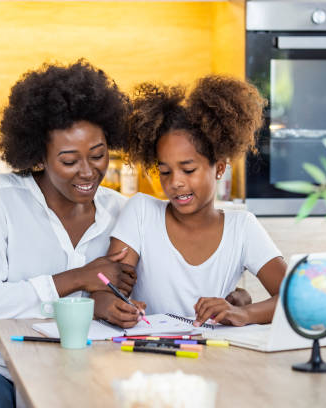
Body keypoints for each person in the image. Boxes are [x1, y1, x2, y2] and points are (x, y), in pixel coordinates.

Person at [0, 60, 144, 408]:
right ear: (39, 156)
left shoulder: (123, 212)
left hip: (87, 369)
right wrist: (79, 278)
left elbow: (130, 297)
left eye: (98, 155)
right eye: (69, 161)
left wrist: (107, 305)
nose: (88, 172)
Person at [93, 76, 287, 329]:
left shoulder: (242, 228)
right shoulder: (141, 212)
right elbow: (103, 292)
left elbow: (296, 299)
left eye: (188, 169)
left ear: (218, 168)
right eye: (165, 171)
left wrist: (245, 313)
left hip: (215, 357)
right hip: (149, 354)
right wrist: (113, 307)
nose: (176, 182)